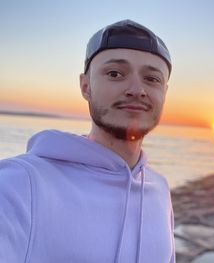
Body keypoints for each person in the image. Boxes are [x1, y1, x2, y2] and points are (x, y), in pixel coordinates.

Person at [0, 20, 175, 263]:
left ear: (164, 92)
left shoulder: (159, 188)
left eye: (152, 79)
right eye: (115, 74)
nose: (137, 89)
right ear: (85, 86)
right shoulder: (19, 184)